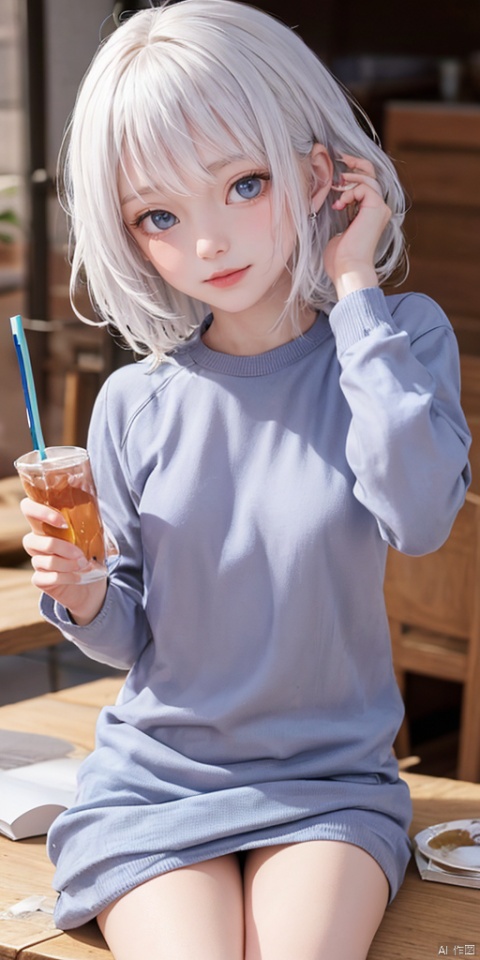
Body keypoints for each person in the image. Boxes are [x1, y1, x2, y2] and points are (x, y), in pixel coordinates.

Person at [20, 2, 471, 958]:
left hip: (329, 783)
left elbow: (421, 516)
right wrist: (83, 589)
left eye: (245, 184)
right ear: (128, 229)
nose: (209, 243)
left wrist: (354, 287)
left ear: (317, 175)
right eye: (161, 215)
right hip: (158, 781)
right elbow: (130, 636)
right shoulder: (133, 405)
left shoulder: (397, 341)